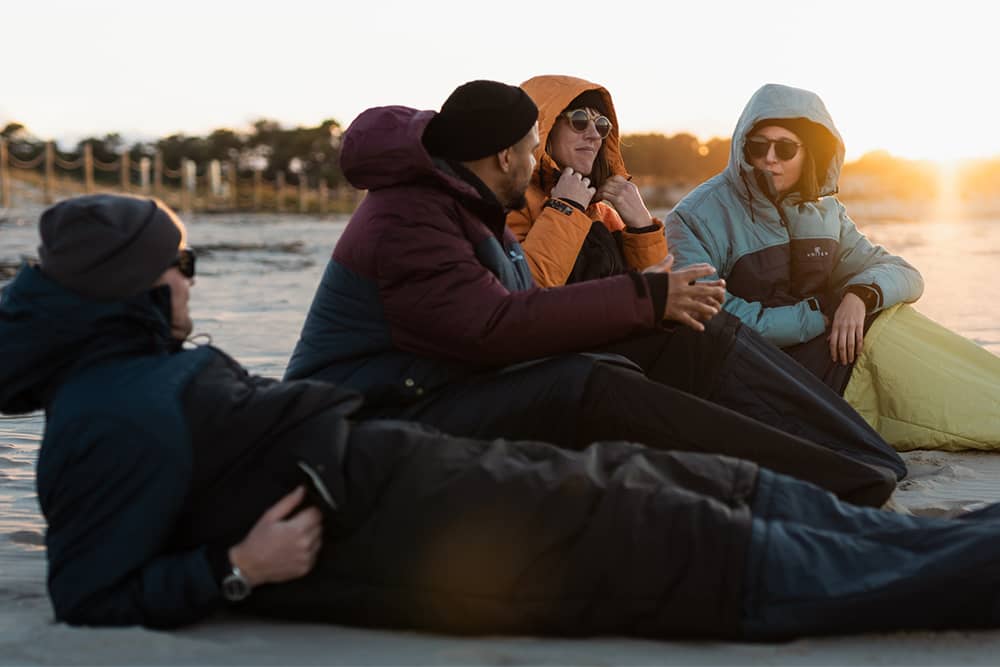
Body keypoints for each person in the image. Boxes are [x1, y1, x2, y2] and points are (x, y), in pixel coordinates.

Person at [8, 195, 1000, 639]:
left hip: (420, 476)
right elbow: (90, 594)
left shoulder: (129, 373)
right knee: (704, 537)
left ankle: (951, 533)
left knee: (708, 486)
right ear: (133, 288)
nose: (190, 276)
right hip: (421, 533)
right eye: (178, 263)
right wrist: (234, 570)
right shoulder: (105, 420)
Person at [286, 79, 904, 492]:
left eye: (600, 123)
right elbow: (496, 324)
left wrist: (643, 245)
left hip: (447, 381)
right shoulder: (412, 217)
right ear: (509, 156)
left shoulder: (466, 205)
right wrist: (635, 288)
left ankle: (860, 460)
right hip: (372, 416)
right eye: (539, 143)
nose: (587, 137)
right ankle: (818, 476)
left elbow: (525, 296)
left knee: (689, 334)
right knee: (591, 380)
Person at [667, 82, 1000, 451]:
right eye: (757, 146)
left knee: (897, 322)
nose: (770, 158)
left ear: (811, 152)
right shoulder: (696, 216)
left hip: (835, 354)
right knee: (930, 392)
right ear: (742, 146)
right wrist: (818, 317)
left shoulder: (824, 213)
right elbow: (708, 318)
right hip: (761, 374)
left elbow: (904, 274)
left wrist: (860, 295)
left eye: (786, 148)